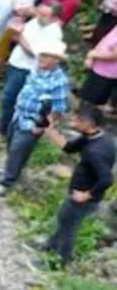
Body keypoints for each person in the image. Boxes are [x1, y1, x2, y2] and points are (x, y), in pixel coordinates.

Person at [0, 37, 70, 195]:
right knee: (11, 145)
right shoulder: (37, 69)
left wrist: (42, 127)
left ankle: (7, 182)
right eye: (41, 55)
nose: (41, 59)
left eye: (46, 56)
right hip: (19, 114)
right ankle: (8, 169)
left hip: (32, 123)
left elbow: (58, 109)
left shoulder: (59, 81)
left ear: (55, 60)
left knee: (19, 151)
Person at [36, 106, 115, 266]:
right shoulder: (95, 136)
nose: (73, 122)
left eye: (78, 120)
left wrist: (86, 195)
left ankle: (59, 262)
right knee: (65, 220)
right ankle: (49, 247)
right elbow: (69, 148)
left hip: (83, 198)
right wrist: (50, 131)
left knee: (68, 229)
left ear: (88, 124)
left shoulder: (95, 152)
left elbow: (106, 179)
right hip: (80, 191)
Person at [0, 3, 64, 139]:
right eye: (39, 13)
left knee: (12, 98)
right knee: (8, 96)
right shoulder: (36, 22)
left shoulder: (54, 34)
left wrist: (19, 36)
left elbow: (36, 53)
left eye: (44, 15)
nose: (39, 16)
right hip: (16, 62)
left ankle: (4, 131)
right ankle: (3, 121)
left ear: (54, 18)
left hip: (27, 68)